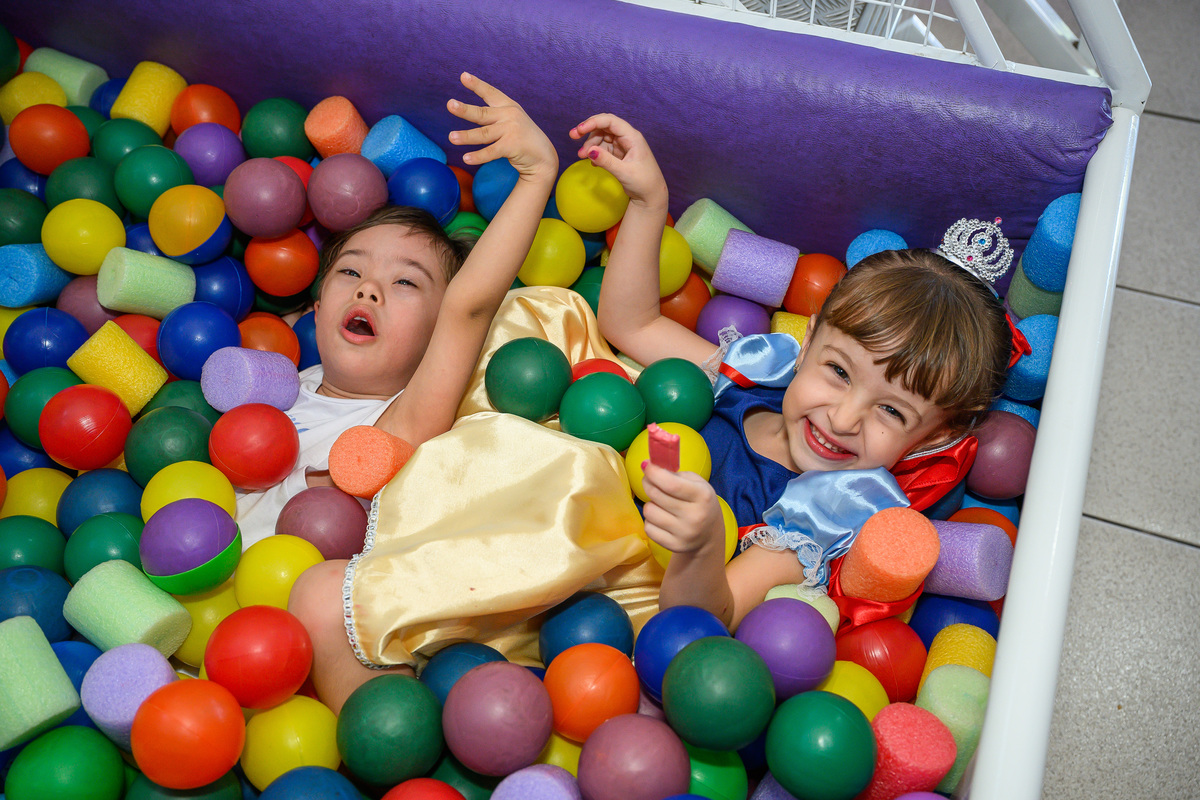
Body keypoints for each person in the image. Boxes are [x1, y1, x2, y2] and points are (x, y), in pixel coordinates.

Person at [573, 112, 1016, 632]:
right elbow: (631, 324)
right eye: (839, 372)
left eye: (892, 411)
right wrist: (649, 201)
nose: (843, 418)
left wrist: (701, 548)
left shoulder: (824, 510)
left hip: (608, 604)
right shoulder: (753, 377)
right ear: (804, 344)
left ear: (932, 437)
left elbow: (705, 622)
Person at [234, 72, 559, 546]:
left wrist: (536, 175)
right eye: (350, 271)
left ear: (437, 333)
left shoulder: (399, 422)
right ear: (318, 308)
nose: (368, 289)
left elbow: (469, 307)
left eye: (405, 281)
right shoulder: (279, 382)